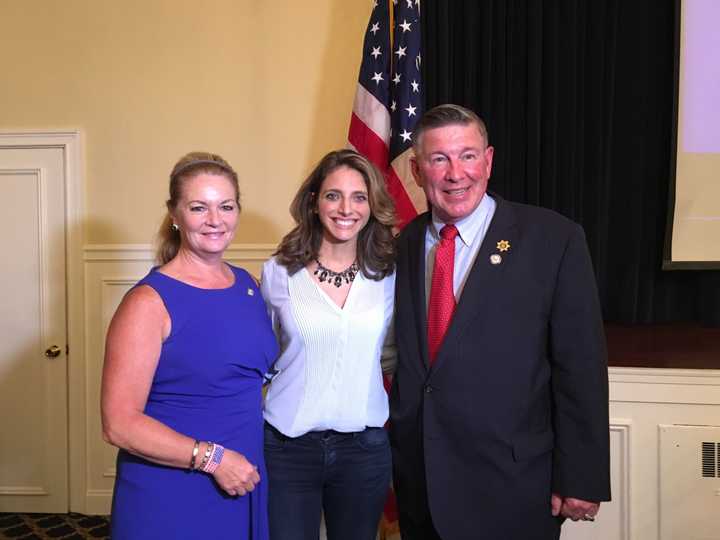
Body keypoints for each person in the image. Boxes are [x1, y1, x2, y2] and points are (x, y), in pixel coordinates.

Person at [389, 104, 611, 540]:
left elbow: (580, 368)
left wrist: (581, 477)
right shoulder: (402, 244)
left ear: (488, 161)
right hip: (423, 485)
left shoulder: (553, 239)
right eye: (439, 159)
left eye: (468, 156)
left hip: (514, 487)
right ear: (416, 171)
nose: (456, 174)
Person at [101, 152, 278, 540]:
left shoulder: (246, 284)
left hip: (243, 477)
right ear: (175, 215)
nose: (215, 220)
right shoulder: (148, 302)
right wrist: (213, 459)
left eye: (226, 206)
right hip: (172, 487)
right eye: (199, 207)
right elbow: (119, 424)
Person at [260, 149, 396, 540]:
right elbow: (264, 355)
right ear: (314, 202)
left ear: (372, 206)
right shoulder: (278, 272)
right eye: (333, 195)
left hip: (364, 449)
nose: (345, 208)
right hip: (287, 447)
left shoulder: (388, 274)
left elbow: (394, 353)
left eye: (359, 197)